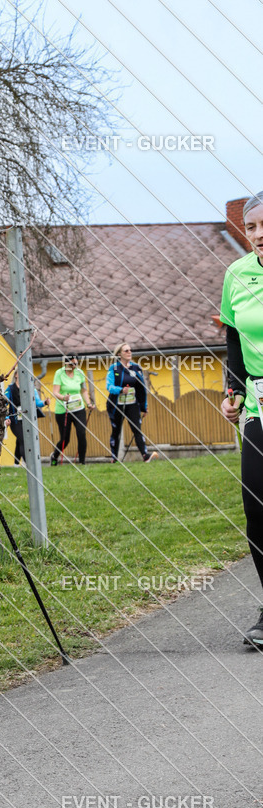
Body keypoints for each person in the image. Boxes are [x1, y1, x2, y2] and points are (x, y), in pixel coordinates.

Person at [219, 190, 263, 648]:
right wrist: (233, 391)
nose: (258, 235)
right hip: (259, 403)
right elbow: (234, 341)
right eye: (251, 227)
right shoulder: (237, 274)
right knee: (257, 509)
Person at [106, 343, 158, 463]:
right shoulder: (114, 368)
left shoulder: (136, 367)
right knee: (116, 431)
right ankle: (114, 458)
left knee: (137, 429)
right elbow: (109, 386)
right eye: (126, 350)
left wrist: (144, 407)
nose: (129, 352)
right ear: (119, 354)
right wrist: (120, 390)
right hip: (116, 405)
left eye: (130, 350)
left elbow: (141, 389)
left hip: (132, 404)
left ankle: (145, 456)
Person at [50, 354, 94, 466]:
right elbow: (55, 392)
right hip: (63, 410)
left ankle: (82, 462)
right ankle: (54, 456)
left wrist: (88, 403)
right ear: (65, 363)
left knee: (81, 433)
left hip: (79, 408)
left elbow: (83, 390)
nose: (73, 366)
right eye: (71, 364)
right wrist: (63, 397)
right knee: (65, 439)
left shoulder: (80, 373)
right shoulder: (59, 373)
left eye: (75, 364)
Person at [4, 370, 48, 465]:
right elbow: (3, 404)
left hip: (27, 419)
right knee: (24, 438)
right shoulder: (10, 389)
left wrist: (44, 403)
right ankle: (28, 463)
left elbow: (37, 402)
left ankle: (16, 463)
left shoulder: (31, 388)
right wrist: (6, 417)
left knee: (20, 440)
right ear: (16, 375)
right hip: (15, 421)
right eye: (21, 372)